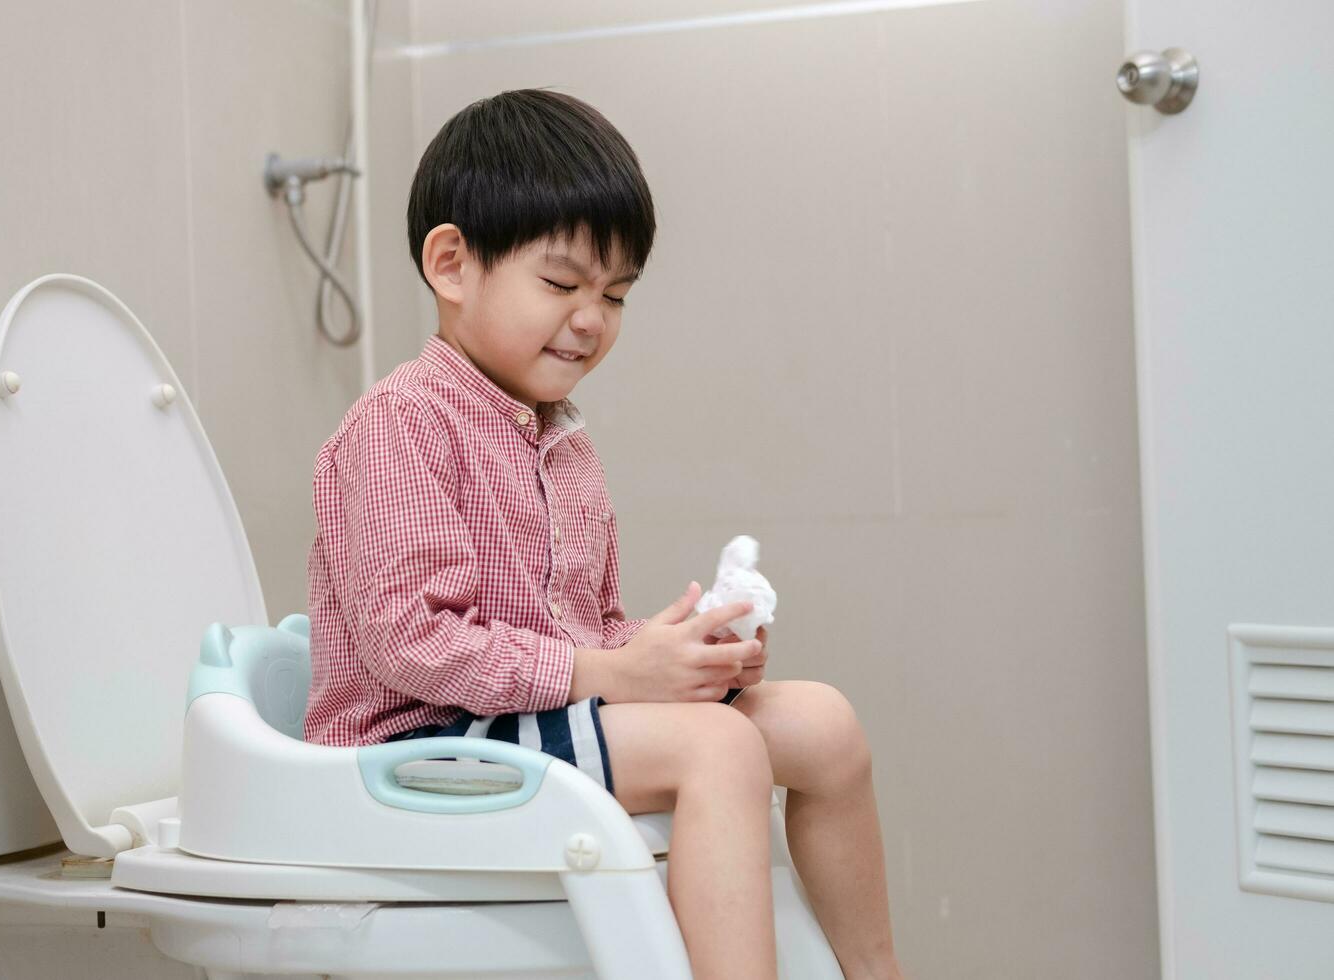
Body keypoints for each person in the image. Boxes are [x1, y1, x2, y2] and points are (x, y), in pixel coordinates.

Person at [305, 88, 904, 980]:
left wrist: (678, 656)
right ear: (452, 264)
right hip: (425, 741)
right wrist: (618, 674)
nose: (592, 318)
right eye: (561, 284)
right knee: (719, 749)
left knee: (825, 728)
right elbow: (412, 644)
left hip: (525, 719)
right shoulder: (401, 424)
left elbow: (582, 627)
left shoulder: (557, 437)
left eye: (615, 295)